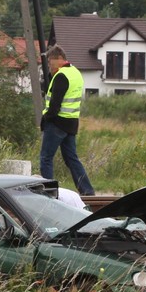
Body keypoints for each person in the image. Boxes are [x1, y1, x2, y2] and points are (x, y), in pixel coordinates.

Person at [38, 45, 95, 196]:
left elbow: (55, 105)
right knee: (71, 159)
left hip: (57, 123)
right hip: (71, 123)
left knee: (46, 158)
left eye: (50, 62)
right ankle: (87, 191)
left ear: (58, 59)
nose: (49, 65)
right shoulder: (75, 73)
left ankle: (48, 193)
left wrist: (46, 118)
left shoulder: (61, 76)